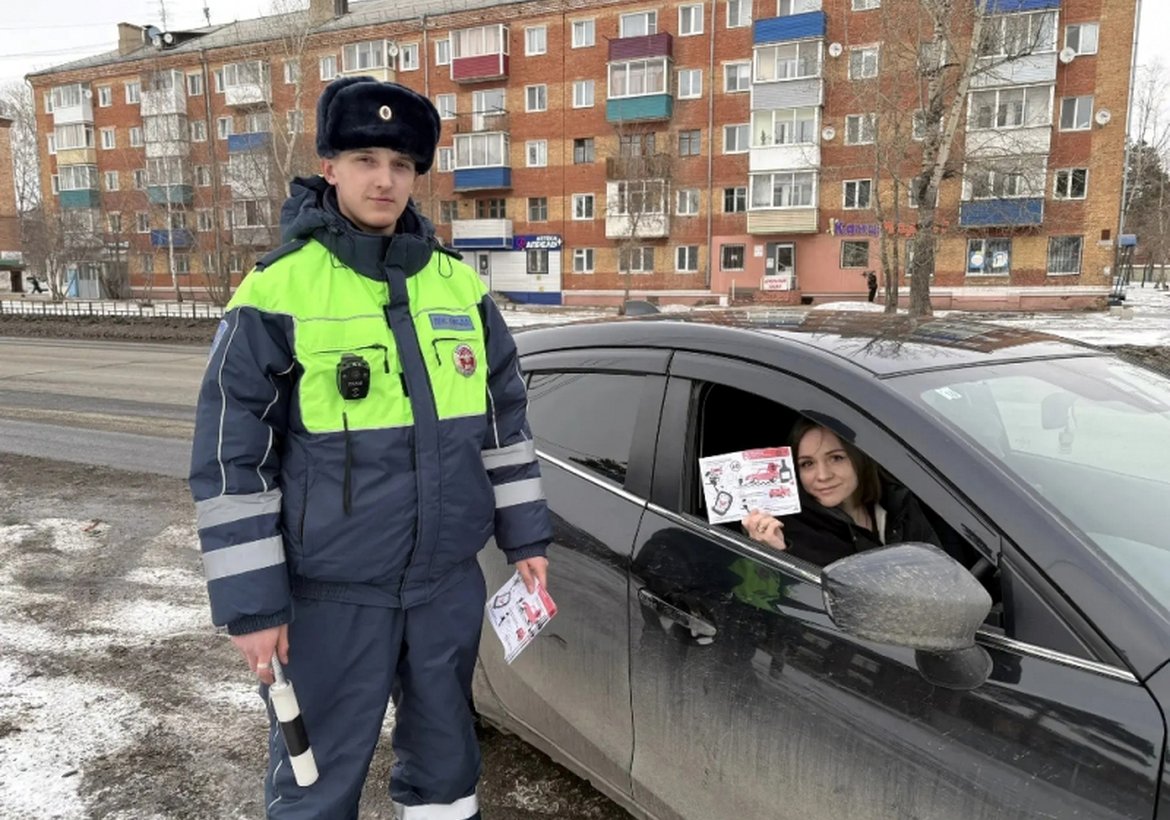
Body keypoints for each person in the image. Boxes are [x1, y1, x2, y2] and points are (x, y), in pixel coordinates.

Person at [188, 76, 552, 820]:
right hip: (331, 599)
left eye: (401, 164)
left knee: (449, 771)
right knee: (316, 781)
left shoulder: (457, 287)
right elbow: (232, 460)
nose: (385, 179)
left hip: (444, 588)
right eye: (366, 159)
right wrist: (253, 608)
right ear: (331, 166)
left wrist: (525, 540)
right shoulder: (276, 291)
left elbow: (502, 427)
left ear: (418, 175)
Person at [742, 417, 938, 566]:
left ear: (860, 458)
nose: (823, 475)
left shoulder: (899, 504)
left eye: (836, 458)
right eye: (807, 463)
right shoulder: (787, 529)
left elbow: (941, 571)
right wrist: (777, 554)